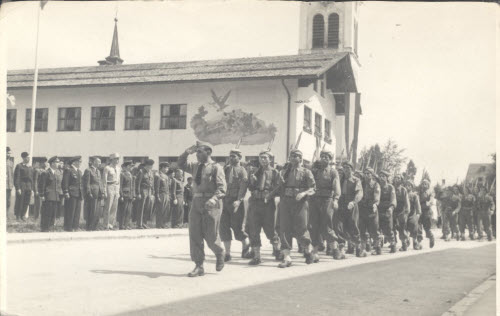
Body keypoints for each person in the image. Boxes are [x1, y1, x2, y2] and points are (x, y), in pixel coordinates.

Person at [178, 142, 226, 277]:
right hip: (196, 202)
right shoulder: (195, 167)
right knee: (195, 234)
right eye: (196, 152)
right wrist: (187, 152)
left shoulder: (216, 167)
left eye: (200, 152)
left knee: (211, 234)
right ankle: (199, 265)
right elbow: (180, 164)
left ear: (208, 152)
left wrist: (214, 199)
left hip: (211, 203)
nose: (197, 155)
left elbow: (222, 188)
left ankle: (219, 252)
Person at [277, 149, 316, 268]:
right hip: (286, 202)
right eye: (291, 156)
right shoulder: (285, 171)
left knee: (301, 228)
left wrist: (304, 194)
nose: (293, 158)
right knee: (284, 228)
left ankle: (308, 249)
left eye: (296, 156)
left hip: (300, 203)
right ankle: (287, 257)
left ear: (301, 158)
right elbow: (279, 186)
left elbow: (313, 188)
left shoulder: (306, 172)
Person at [246, 150, 281, 265]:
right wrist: (251, 181)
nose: (263, 160)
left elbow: (278, 187)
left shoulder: (275, 172)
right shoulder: (255, 172)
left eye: (265, 158)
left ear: (270, 159)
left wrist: (270, 196)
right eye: (261, 158)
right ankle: (257, 256)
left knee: (270, 229)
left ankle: (276, 250)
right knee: (254, 229)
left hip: (268, 204)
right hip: (255, 203)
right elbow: (250, 187)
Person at [309, 150, 341, 262]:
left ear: (330, 159)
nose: (324, 158)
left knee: (327, 225)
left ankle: (335, 249)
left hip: (327, 200)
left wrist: (336, 200)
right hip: (314, 200)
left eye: (327, 157)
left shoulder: (333, 172)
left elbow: (336, 187)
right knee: (314, 226)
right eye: (322, 156)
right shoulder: (314, 170)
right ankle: (315, 252)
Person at [221, 149, 251, 262]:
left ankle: (246, 249)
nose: (231, 158)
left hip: (235, 202)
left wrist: (239, 200)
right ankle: (227, 253)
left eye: (233, 156)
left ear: (239, 157)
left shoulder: (242, 170)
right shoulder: (226, 169)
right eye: (230, 156)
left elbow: (243, 188)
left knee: (237, 228)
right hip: (224, 201)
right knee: (223, 228)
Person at [336, 162, 363, 257]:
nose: (345, 170)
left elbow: (359, 193)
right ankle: (341, 248)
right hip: (341, 205)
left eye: (348, 168)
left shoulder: (356, 180)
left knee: (353, 225)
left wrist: (353, 202)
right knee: (339, 226)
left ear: (352, 169)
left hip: (351, 205)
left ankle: (358, 246)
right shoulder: (340, 179)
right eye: (344, 168)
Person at [359, 168, 380, 257]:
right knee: (362, 230)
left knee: (374, 230)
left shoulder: (376, 184)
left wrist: (375, 204)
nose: (367, 175)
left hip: (372, 209)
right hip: (362, 209)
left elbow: (377, 195)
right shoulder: (361, 183)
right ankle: (362, 249)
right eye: (365, 173)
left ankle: (377, 247)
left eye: (369, 173)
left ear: (372, 174)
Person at [39, 156, 62, 232]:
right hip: (48, 196)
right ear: (52, 163)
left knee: (53, 213)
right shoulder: (46, 173)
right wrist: (42, 195)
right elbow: (42, 184)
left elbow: (58, 185)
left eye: (58, 162)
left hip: (55, 196)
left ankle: (51, 227)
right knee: (47, 213)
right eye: (57, 162)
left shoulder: (57, 172)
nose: (58, 163)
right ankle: (45, 228)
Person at [83, 156, 104, 231]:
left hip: (98, 194)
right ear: (94, 162)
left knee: (97, 212)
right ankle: (89, 227)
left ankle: (95, 226)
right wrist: (89, 192)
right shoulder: (88, 170)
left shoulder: (98, 171)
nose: (100, 163)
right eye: (99, 162)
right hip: (92, 194)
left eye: (100, 162)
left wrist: (102, 192)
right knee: (91, 211)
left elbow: (100, 182)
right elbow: (87, 183)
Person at [378, 170, 397, 254]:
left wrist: (391, 208)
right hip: (378, 210)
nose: (381, 178)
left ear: (387, 178)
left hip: (387, 210)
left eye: (383, 176)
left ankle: (393, 244)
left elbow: (393, 199)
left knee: (389, 228)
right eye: (380, 176)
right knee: (377, 228)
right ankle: (378, 246)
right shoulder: (377, 186)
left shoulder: (390, 187)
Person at [62, 156, 83, 231]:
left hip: (79, 193)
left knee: (77, 211)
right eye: (79, 161)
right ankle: (68, 227)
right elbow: (65, 182)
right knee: (70, 211)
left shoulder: (79, 171)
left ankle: (75, 226)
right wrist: (66, 192)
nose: (80, 163)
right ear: (75, 162)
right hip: (71, 193)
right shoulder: (69, 170)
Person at [14, 152, 34, 221]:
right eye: (27, 157)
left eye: (29, 157)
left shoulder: (30, 167)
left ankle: (23, 215)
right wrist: (18, 188)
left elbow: (32, 178)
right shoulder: (19, 166)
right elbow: (17, 177)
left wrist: (32, 189)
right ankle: (18, 216)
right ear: (23, 158)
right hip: (22, 185)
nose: (28, 158)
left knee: (26, 201)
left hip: (29, 186)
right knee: (20, 200)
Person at [103, 153, 121, 230]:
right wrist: (105, 191)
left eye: (118, 159)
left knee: (114, 207)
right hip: (109, 186)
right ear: (112, 159)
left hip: (116, 187)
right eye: (116, 159)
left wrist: (118, 191)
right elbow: (104, 181)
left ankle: (111, 224)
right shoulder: (107, 168)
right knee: (108, 207)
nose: (117, 160)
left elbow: (119, 180)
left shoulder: (118, 168)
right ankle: (105, 224)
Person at [136, 159, 155, 229]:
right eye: (151, 165)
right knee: (141, 208)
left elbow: (152, 183)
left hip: (149, 190)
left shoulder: (150, 172)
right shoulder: (141, 172)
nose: (152, 167)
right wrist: (138, 193)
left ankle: (144, 223)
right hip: (143, 190)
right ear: (147, 165)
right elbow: (138, 183)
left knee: (147, 207)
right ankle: (139, 224)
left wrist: (152, 192)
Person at [393, 174, 410, 251]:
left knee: (401, 229)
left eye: (399, 178)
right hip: (393, 211)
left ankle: (404, 244)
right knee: (392, 227)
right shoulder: (392, 188)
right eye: (396, 178)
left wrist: (406, 211)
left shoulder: (403, 190)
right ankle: (393, 243)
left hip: (401, 212)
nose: (397, 179)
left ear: (401, 180)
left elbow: (407, 202)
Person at [417, 179, 435, 248]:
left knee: (427, 227)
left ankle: (431, 237)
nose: (424, 185)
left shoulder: (430, 191)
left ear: (428, 185)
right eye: (423, 184)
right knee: (418, 226)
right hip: (419, 210)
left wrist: (429, 202)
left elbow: (431, 199)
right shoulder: (419, 191)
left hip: (427, 211)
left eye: (425, 184)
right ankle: (418, 242)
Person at [404, 180, 422, 250]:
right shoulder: (403, 194)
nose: (407, 187)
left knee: (414, 225)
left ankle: (415, 242)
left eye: (409, 185)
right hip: (405, 213)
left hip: (412, 213)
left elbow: (418, 206)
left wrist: (418, 214)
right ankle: (406, 239)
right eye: (406, 185)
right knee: (404, 226)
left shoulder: (414, 195)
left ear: (412, 187)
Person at [154, 162, 171, 229]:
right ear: (162, 168)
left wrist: (168, 195)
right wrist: (157, 196)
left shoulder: (166, 176)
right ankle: (159, 224)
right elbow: (157, 187)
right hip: (161, 194)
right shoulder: (158, 175)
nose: (167, 169)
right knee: (160, 210)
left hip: (166, 194)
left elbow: (167, 187)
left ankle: (163, 224)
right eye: (166, 168)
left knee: (165, 210)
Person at [6, 147, 14, 216]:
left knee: (8, 202)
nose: (9, 155)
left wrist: (12, 184)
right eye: (8, 153)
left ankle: (6, 215)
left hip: (9, 185)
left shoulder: (11, 163)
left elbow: (12, 174)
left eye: (10, 153)